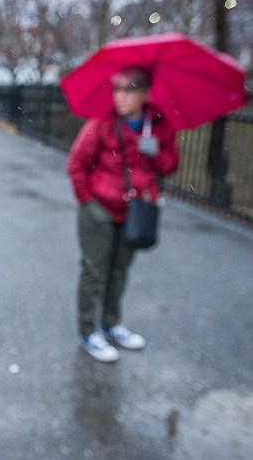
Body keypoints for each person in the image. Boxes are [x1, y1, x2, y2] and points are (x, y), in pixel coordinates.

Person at [66, 65, 179, 362]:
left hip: (134, 212)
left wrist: (155, 151)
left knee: (119, 272)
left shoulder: (159, 125)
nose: (120, 96)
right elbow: (76, 164)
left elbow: (170, 166)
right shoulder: (102, 122)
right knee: (95, 271)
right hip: (99, 211)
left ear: (144, 93)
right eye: (116, 89)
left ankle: (112, 325)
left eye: (128, 89)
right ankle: (88, 332)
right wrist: (88, 201)